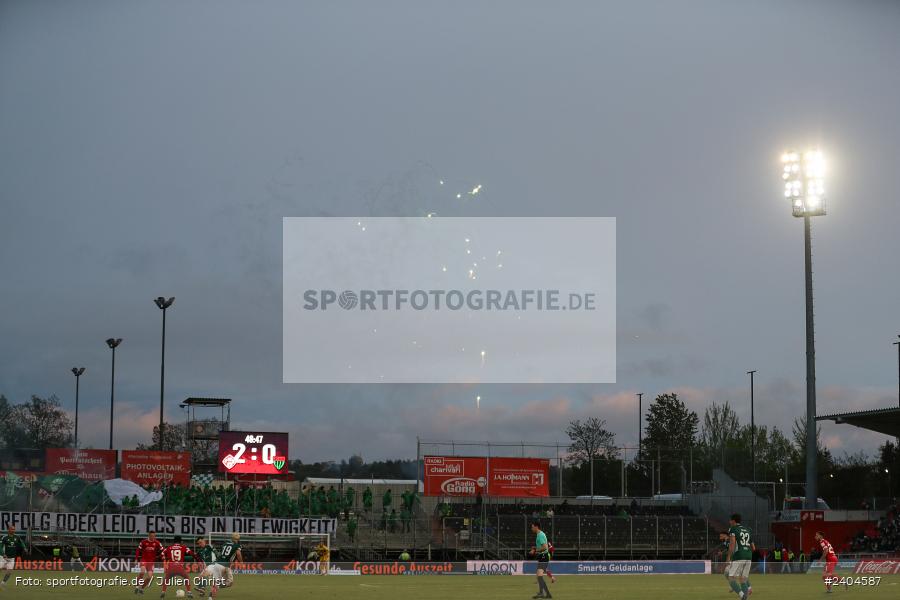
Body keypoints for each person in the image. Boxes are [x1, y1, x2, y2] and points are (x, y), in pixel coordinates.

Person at [726, 513, 754, 599]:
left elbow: (732, 544)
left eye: (730, 520)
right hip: (748, 556)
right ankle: (745, 597)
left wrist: (728, 557)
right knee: (743, 579)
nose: (729, 521)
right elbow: (753, 547)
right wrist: (747, 552)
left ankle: (742, 596)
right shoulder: (747, 529)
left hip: (739, 555)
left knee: (730, 577)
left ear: (733, 521)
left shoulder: (733, 529)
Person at [528, 520, 553, 599]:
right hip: (542, 556)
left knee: (539, 576)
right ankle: (543, 593)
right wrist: (535, 548)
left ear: (536, 527)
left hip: (543, 556)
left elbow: (545, 547)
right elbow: (542, 546)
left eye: (532, 527)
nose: (531, 528)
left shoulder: (540, 535)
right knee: (539, 576)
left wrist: (535, 550)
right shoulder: (540, 534)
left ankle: (545, 594)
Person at [134, 531, 163, 595]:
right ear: (149, 536)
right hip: (144, 560)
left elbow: (163, 550)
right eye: (152, 536)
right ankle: (137, 586)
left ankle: (141, 588)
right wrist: (136, 559)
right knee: (142, 572)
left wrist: (159, 557)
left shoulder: (157, 543)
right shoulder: (143, 542)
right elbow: (138, 550)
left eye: (154, 536)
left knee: (149, 577)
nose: (153, 537)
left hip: (151, 562)